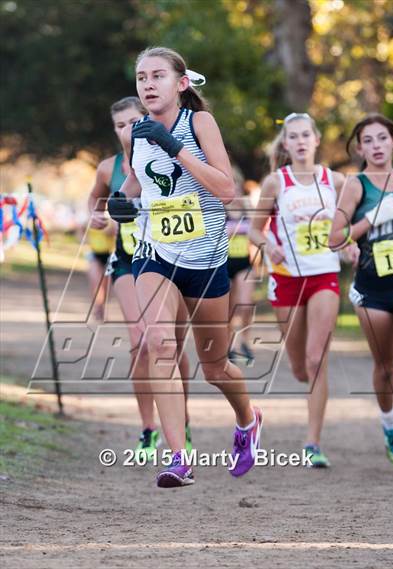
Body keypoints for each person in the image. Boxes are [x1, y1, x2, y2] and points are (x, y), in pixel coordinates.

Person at [108, 46, 262, 488]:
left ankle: (248, 420)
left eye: (157, 75)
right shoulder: (137, 133)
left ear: (181, 83)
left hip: (206, 259)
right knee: (160, 345)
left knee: (215, 367)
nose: (148, 84)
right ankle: (179, 458)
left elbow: (226, 188)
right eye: (141, 77)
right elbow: (136, 184)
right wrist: (123, 202)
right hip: (155, 254)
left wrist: (175, 147)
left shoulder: (199, 123)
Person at [88, 96, 192, 460]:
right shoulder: (109, 167)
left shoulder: (164, 153)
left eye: (133, 122)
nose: (126, 130)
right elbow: (94, 202)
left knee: (170, 346)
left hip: (171, 259)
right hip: (129, 261)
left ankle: (182, 423)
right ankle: (149, 428)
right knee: (141, 342)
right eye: (119, 125)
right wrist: (97, 216)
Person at [250, 112, 347, 467]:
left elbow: (349, 223)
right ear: (286, 144)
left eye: (307, 134)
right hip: (286, 279)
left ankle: (313, 443)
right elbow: (253, 229)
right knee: (298, 365)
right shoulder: (276, 183)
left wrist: (348, 242)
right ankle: (307, 385)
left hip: (324, 276)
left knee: (315, 358)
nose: (301, 141)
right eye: (294, 136)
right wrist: (267, 246)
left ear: (317, 139)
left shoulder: (335, 181)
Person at [329, 113, 393, 469]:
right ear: (359, 148)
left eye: (382, 138)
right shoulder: (356, 185)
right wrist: (371, 220)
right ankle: (390, 426)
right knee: (386, 365)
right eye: (368, 141)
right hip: (372, 286)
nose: (377, 146)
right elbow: (334, 238)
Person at [226, 167, 256, 363]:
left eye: (236, 185)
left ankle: (244, 341)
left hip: (244, 263)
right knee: (228, 309)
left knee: (245, 305)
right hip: (223, 264)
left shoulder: (247, 207)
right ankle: (228, 344)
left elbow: (257, 230)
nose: (234, 190)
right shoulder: (218, 208)